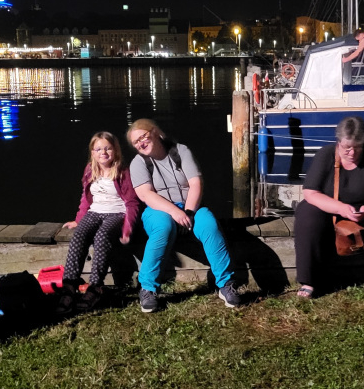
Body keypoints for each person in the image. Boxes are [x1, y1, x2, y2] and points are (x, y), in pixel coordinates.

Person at [126, 118, 240, 312]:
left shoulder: (181, 151)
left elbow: (196, 183)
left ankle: (226, 284)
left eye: (143, 137)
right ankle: (148, 288)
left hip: (189, 206)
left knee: (209, 225)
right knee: (163, 227)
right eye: (136, 142)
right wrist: (174, 212)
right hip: (158, 209)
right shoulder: (138, 163)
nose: (141, 143)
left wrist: (187, 212)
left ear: (155, 132)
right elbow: (146, 195)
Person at [293, 116, 364, 299]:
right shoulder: (325, 155)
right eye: (347, 148)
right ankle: (310, 280)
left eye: (357, 147)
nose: (352, 153)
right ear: (338, 141)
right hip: (331, 211)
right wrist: (340, 208)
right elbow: (310, 192)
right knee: (306, 211)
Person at [62, 131, 141, 307]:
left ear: (116, 150)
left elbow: (132, 203)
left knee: (102, 236)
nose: (103, 152)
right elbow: (85, 198)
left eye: (108, 148)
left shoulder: (122, 172)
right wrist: (78, 220)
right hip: (94, 212)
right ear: (92, 152)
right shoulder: (90, 169)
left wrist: (127, 228)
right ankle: (69, 287)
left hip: (117, 213)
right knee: (79, 235)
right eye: (98, 149)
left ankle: (95, 287)